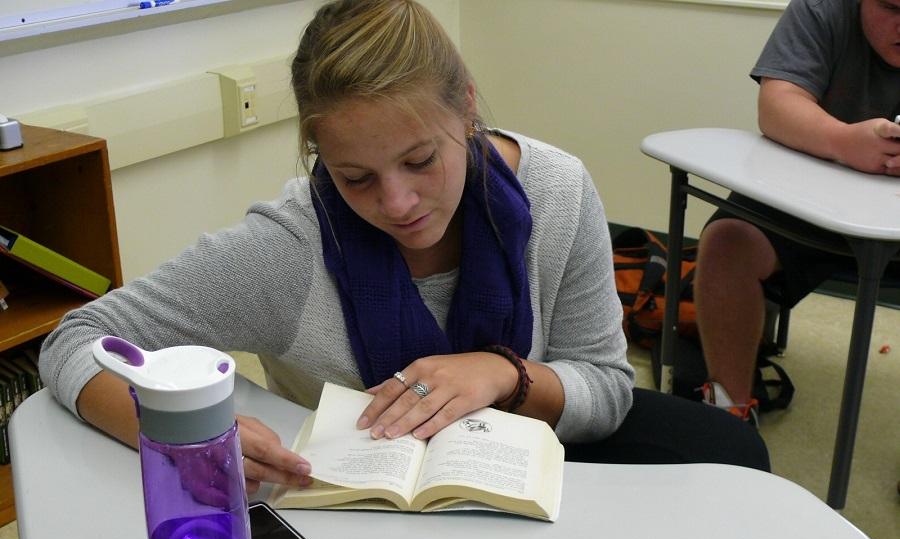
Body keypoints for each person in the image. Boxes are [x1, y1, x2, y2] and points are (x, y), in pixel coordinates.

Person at [39, 0, 769, 496]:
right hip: (363, 506)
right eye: (355, 178)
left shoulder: (557, 191)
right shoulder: (289, 250)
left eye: (422, 161)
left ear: (469, 107)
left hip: (526, 457)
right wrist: (183, 437)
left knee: (736, 462)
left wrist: (501, 374)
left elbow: (606, 387)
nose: (397, 205)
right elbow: (77, 338)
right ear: (318, 153)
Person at [694, 0, 900, 424]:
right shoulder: (821, 8)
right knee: (727, 244)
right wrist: (845, 142)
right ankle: (727, 416)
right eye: (892, 8)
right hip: (811, 197)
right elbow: (777, 104)